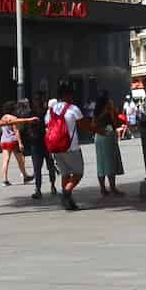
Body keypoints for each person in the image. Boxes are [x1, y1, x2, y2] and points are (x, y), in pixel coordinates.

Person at [44, 82, 90, 211]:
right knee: (78, 173)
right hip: (71, 147)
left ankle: (68, 201)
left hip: (55, 147)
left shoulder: (51, 110)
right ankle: (66, 192)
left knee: (65, 174)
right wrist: (95, 129)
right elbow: (84, 125)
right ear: (67, 95)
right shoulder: (72, 108)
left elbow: (47, 125)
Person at [91, 92, 126, 197]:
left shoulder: (96, 112)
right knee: (110, 162)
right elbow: (115, 123)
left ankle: (102, 188)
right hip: (108, 134)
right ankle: (112, 187)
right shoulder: (109, 111)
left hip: (98, 136)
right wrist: (112, 112)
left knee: (101, 163)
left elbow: (92, 124)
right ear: (107, 103)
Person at [24, 89, 54, 198]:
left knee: (47, 166)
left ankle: (51, 185)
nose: (36, 101)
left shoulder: (46, 111)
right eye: (36, 99)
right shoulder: (33, 112)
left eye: (38, 99)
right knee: (39, 167)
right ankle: (39, 188)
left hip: (44, 142)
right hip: (38, 143)